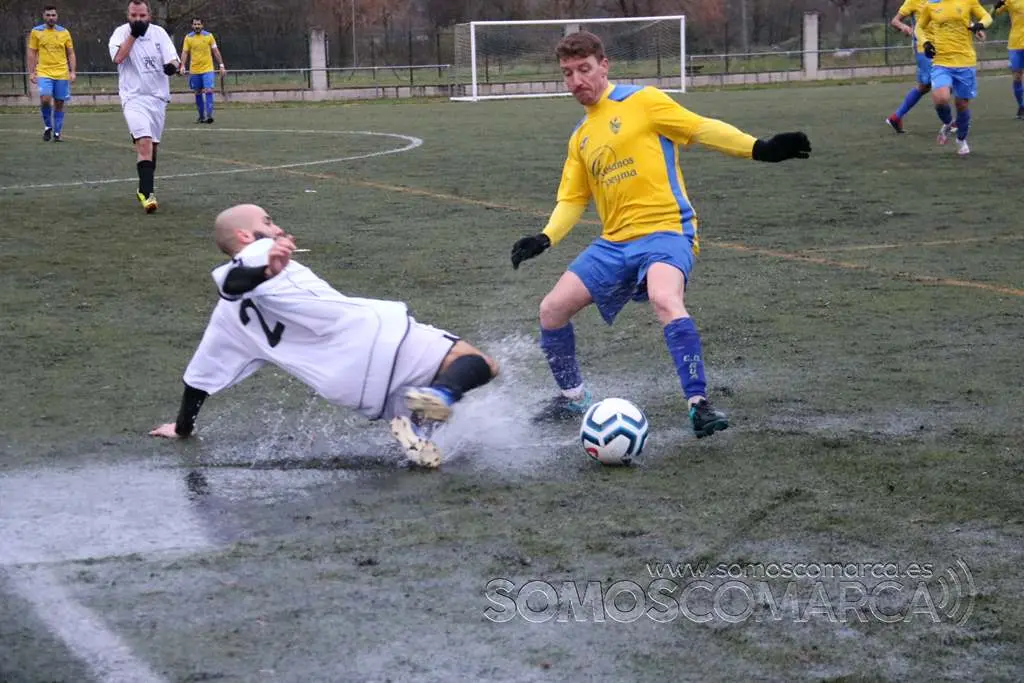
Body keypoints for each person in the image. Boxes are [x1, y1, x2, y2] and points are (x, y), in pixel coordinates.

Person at [509, 31, 811, 438]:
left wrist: (760, 148)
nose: (576, 80)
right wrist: (545, 238)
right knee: (551, 310)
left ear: (604, 65)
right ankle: (573, 397)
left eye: (584, 69)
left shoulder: (643, 102)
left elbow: (701, 128)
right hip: (614, 243)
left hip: (667, 231)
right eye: (567, 73)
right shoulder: (580, 137)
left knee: (664, 298)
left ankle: (698, 404)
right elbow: (572, 199)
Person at [149, 204, 499, 468]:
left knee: (410, 406)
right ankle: (438, 395)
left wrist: (182, 428)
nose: (277, 227)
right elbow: (233, 282)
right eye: (267, 222)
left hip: (347, 385)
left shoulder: (225, 322)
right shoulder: (257, 254)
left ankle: (412, 430)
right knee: (479, 363)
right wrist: (264, 268)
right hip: (374, 338)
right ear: (244, 236)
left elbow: (198, 380)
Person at [108, 0, 179, 213]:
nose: (138, 20)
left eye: (142, 16)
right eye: (133, 16)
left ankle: (143, 187)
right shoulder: (120, 33)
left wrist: (171, 67)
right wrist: (133, 35)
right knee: (145, 142)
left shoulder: (159, 34)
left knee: (152, 147)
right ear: (127, 15)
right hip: (134, 98)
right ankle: (147, 194)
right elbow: (118, 58)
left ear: (149, 15)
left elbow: (174, 60)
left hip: (157, 98)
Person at [917, 0, 993, 155]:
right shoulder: (931, 4)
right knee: (941, 98)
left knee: (961, 104)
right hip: (941, 62)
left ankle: (961, 139)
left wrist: (980, 25)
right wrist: (925, 43)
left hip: (965, 61)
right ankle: (948, 123)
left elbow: (986, 16)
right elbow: (918, 27)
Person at [27, 5, 76, 142]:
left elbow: (71, 53)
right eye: (48, 15)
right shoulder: (36, 32)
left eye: (53, 15)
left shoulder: (64, 32)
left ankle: (57, 133)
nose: (51, 18)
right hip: (44, 71)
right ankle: (48, 127)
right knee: (46, 98)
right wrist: (31, 72)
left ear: (57, 16)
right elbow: (32, 52)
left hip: (61, 72)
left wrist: (72, 71)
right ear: (44, 16)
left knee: (59, 103)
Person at [886, 0, 933, 133]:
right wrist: (904, 27)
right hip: (923, 48)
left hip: (942, 46)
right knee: (942, 82)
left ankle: (896, 117)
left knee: (924, 87)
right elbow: (895, 21)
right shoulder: (913, 1)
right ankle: (951, 122)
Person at [179, 17, 226, 124]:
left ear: (202, 25)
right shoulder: (188, 38)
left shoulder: (209, 36)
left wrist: (221, 65)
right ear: (192, 26)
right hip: (194, 70)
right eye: (195, 24)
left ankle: (209, 116)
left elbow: (215, 51)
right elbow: (185, 52)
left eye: (199, 24)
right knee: (197, 92)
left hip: (207, 69)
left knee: (209, 90)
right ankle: (201, 116)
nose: (197, 26)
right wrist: (182, 66)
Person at [991, 0, 1024, 118]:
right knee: (1017, 77)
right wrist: (997, 5)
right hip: (1015, 43)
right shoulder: (1010, 1)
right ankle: (1021, 106)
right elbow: (993, 14)